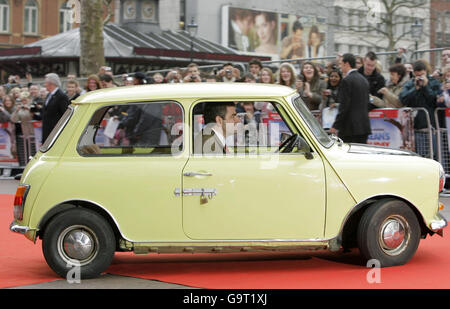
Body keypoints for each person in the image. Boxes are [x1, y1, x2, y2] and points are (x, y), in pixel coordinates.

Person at [330, 53, 371, 144]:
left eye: (341, 64)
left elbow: (344, 105)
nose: (340, 67)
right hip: (364, 126)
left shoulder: (347, 81)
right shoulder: (363, 79)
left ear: (347, 64)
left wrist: (336, 125)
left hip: (350, 128)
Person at [400, 60, 442, 133]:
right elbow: (403, 99)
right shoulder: (409, 84)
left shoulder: (434, 82)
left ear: (426, 71)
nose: (420, 77)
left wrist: (425, 86)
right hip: (414, 124)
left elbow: (434, 100)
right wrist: (415, 89)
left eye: (422, 74)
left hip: (431, 124)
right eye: (418, 75)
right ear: (414, 73)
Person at [41, 73, 70, 143]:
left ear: (51, 83)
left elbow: (65, 114)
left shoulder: (61, 96)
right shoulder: (49, 95)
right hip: (47, 131)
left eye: (46, 83)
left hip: (56, 131)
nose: (45, 85)